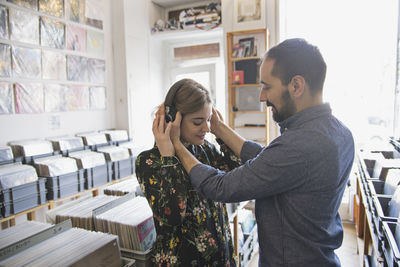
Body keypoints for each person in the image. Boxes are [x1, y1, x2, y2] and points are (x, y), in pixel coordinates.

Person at [164, 39, 355, 266]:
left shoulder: (300, 146)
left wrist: (176, 145)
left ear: (296, 86)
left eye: (267, 86)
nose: (262, 97)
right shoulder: (341, 134)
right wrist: (220, 129)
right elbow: (269, 159)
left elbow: (219, 186)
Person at [135, 78, 239, 267]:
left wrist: (220, 131)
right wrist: (169, 156)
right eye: (198, 122)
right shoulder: (149, 162)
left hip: (221, 258)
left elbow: (239, 175)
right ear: (173, 119)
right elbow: (173, 215)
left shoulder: (205, 150)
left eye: (208, 120)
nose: (206, 128)